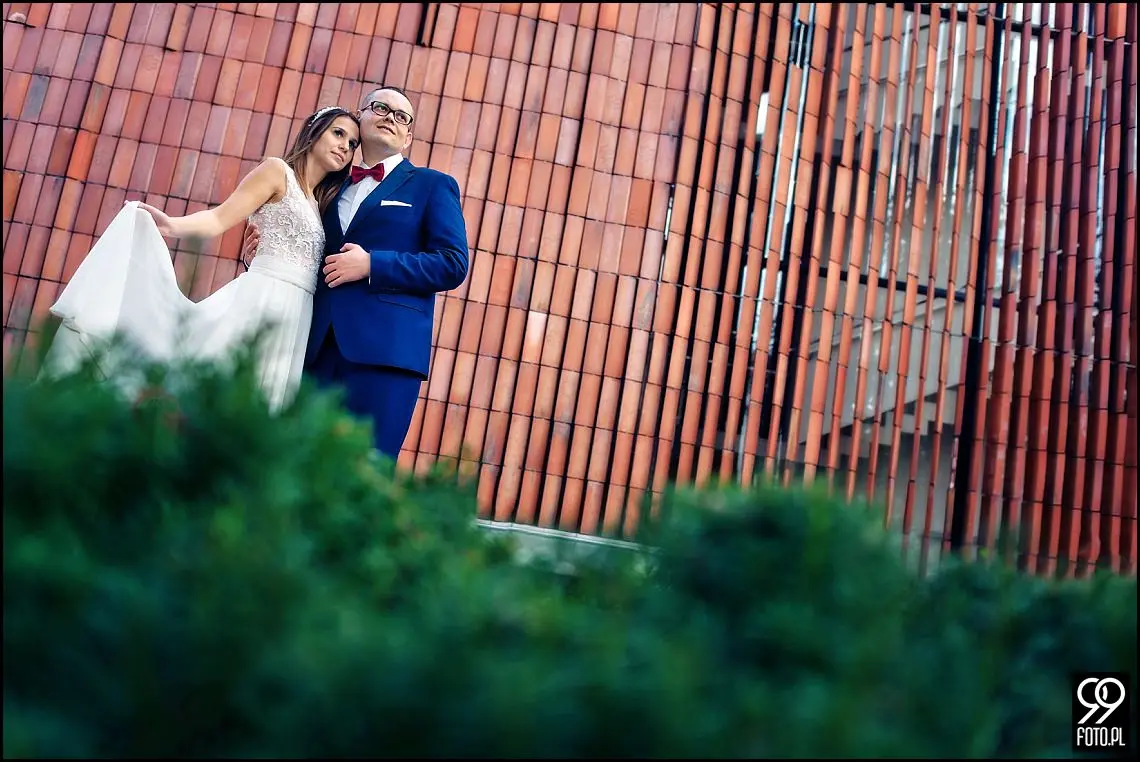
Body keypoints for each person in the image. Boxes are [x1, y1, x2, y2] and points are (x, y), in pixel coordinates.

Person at [41, 106, 362, 411]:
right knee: (225, 387)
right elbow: (219, 218)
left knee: (264, 406)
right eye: (337, 133)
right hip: (262, 302)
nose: (344, 147)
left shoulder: (318, 203)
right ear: (314, 131)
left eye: (352, 143)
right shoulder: (277, 172)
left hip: (296, 315)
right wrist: (171, 225)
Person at [242, 85, 470, 461]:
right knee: (296, 466)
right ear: (360, 117)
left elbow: (452, 262)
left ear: (408, 136)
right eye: (380, 108)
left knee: (367, 474)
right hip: (313, 348)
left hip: (386, 356)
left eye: (402, 116)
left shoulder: (433, 186)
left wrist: (372, 265)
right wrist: (261, 257)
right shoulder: (328, 187)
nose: (390, 118)